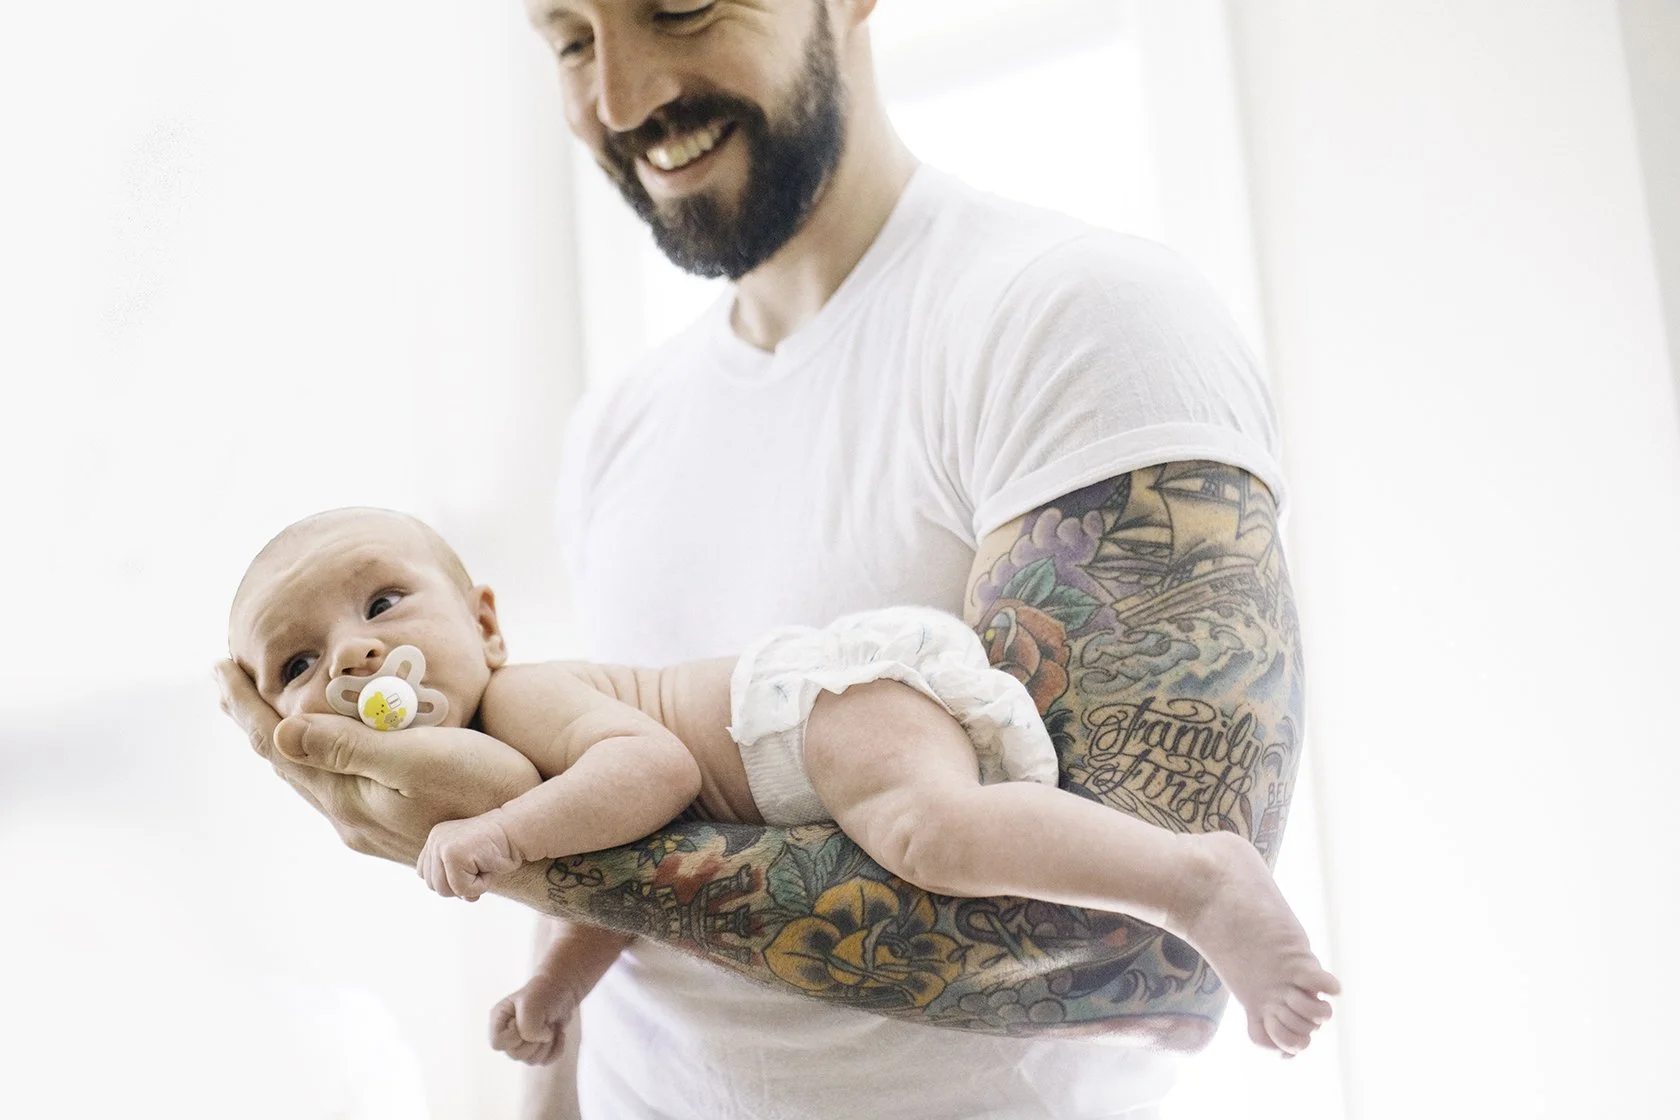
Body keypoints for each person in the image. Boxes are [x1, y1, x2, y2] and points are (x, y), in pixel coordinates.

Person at [216, 1, 1327, 1115]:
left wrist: (501, 838)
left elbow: (1144, 956)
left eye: (680, 8)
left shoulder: (1074, 319)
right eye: (569, 41)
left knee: (929, 822)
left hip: (849, 721)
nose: (621, 97)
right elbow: (642, 991)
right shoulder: (618, 434)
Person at [227, 507, 1337, 1068]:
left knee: (928, 834)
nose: (356, 658)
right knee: (984, 872)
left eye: (382, 606)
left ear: (483, 622)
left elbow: (652, 774)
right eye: (298, 665)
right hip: (810, 741)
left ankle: (1197, 879)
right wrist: (556, 993)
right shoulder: (509, 746)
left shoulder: (525, 701)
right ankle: (1173, 968)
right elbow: (602, 887)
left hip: (807, 711)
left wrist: (510, 832)